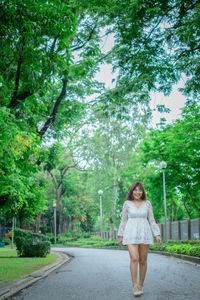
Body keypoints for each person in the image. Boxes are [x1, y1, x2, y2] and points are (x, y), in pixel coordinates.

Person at [117, 181, 162, 297]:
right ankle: (135, 285)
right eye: (135, 190)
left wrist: (157, 234)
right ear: (132, 191)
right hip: (130, 233)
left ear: (143, 192)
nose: (138, 192)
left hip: (144, 233)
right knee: (134, 258)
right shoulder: (127, 203)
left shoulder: (147, 203)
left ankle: (141, 284)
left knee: (143, 260)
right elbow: (123, 220)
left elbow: (152, 220)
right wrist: (120, 235)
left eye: (140, 190)